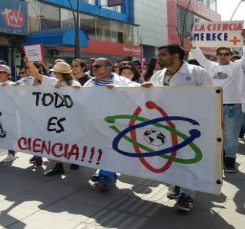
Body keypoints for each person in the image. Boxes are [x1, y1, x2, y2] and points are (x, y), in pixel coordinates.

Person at [149, 44, 213, 212]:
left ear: (176, 56)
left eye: (163, 55)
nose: (159, 58)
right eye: (159, 55)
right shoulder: (157, 75)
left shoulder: (197, 73)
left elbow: (210, 97)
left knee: (187, 159)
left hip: (189, 124)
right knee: (167, 157)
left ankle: (187, 194)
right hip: (162, 124)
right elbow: (148, 96)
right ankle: (176, 184)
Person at [190, 30, 245, 173]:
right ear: (216, 56)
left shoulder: (238, 65)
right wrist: (193, 42)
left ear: (231, 56)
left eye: (226, 54)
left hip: (233, 108)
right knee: (214, 134)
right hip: (214, 107)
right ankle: (219, 158)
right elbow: (198, 55)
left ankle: (230, 160)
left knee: (231, 135)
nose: (223, 56)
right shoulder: (211, 66)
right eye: (220, 54)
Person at [83, 58, 141, 190]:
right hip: (95, 123)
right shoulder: (91, 81)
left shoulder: (120, 81)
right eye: (93, 66)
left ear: (108, 68)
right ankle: (103, 171)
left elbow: (138, 91)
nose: (94, 68)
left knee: (111, 148)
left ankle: (107, 176)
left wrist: (120, 90)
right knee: (101, 147)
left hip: (115, 123)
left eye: (98, 66)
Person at [27, 59, 81, 176]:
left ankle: (75, 160)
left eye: (55, 72)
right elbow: (37, 75)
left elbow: (79, 100)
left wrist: (66, 89)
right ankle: (59, 165)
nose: (54, 74)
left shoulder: (75, 84)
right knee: (56, 140)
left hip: (69, 119)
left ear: (61, 73)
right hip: (55, 118)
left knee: (71, 141)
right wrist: (29, 62)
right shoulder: (54, 81)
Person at [0, 64, 18, 163]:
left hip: (10, 114)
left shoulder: (12, 84)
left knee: (10, 133)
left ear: (7, 74)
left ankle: (11, 153)